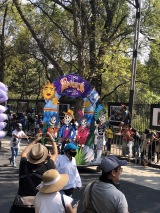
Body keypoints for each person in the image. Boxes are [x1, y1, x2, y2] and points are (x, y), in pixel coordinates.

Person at [9, 132, 58, 213]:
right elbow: (55, 154)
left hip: (20, 204)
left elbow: (24, 153)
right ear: (43, 156)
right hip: (39, 204)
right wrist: (52, 139)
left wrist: (34, 140)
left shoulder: (24, 165)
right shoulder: (47, 166)